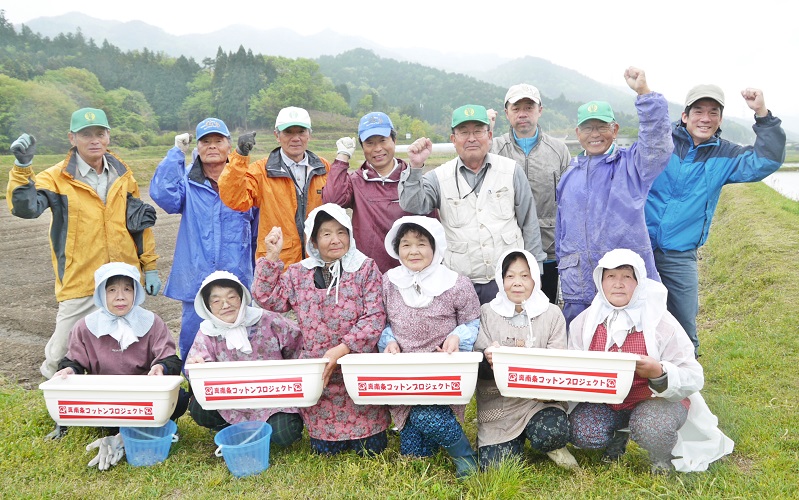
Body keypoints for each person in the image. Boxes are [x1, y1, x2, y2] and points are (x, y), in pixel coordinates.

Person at [7, 108, 161, 381]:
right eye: (85, 134)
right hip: (81, 278)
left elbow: (139, 226)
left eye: (99, 133)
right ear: (72, 138)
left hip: (122, 277)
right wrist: (22, 169)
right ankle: (58, 404)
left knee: (130, 343)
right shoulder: (55, 178)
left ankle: (128, 403)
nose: (94, 140)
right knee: (62, 350)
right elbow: (26, 208)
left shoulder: (124, 175)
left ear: (108, 137)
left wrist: (148, 267)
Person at [645, 85, 786, 355]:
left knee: (683, 320)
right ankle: (636, 376)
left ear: (720, 120)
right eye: (698, 111)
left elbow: (767, 160)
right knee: (635, 313)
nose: (705, 118)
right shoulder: (662, 144)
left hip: (680, 254)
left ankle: (687, 382)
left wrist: (762, 114)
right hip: (641, 247)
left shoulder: (726, 155)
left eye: (713, 112)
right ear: (685, 116)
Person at [568, 249, 733, 474]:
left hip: (655, 401)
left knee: (652, 427)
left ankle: (661, 456)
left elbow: (692, 374)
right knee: (583, 430)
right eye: (611, 277)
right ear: (600, 281)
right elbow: (572, 367)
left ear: (639, 283)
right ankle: (616, 437)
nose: (618, 284)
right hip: (607, 403)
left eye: (627, 277)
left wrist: (659, 372)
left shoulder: (661, 322)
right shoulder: (584, 323)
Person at [252, 203, 390, 455]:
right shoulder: (298, 273)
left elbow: (375, 317)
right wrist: (272, 256)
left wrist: (343, 349)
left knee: (371, 449)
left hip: (356, 367)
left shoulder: (365, 268)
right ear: (313, 240)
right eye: (326, 234)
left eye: (341, 232)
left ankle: (371, 432)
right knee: (326, 450)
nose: (335, 240)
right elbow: (267, 298)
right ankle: (323, 434)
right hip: (320, 373)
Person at [555, 67, 673, 327]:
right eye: (587, 128)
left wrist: (644, 94)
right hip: (579, 288)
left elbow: (657, 144)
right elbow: (561, 233)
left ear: (615, 129)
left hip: (625, 286)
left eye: (601, 126)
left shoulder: (632, 166)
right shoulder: (569, 175)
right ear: (577, 133)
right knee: (582, 351)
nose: (594, 134)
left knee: (632, 351)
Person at [399, 104, 545, 304]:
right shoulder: (438, 177)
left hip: (507, 281)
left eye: (478, 131)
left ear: (490, 135)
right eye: (463, 132)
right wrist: (415, 166)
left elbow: (529, 223)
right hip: (459, 283)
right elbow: (413, 205)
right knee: (465, 334)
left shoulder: (511, 171)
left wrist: (535, 272)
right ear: (453, 139)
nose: (471, 138)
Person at [52, 262, 188, 469]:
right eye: (112, 290)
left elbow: (170, 358)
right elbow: (75, 361)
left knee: (178, 401)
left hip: (143, 395)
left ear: (136, 292)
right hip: (106, 396)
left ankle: (132, 430)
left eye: (127, 289)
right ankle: (123, 429)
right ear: (100, 294)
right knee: (103, 417)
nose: (120, 297)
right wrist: (69, 369)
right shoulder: (86, 326)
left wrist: (160, 367)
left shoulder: (152, 322)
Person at [376, 216, 481, 479]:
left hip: (440, 368)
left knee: (426, 417)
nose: (413, 251)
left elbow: (471, 321)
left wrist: (458, 337)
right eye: (406, 244)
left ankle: (464, 454)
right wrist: (388, 341)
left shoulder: (457, 283)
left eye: (421, 244)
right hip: (404, 372)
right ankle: (436, 432)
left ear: (435, 247)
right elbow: (383, 321)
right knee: (414, 453)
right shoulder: (389, 281)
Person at [149, 118, 258, 365]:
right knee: (193, 334)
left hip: (237, 273)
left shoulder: (245, 180)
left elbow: (255, 231)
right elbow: (164, 196)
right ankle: (197, 388)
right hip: (195, 274)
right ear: (197, 147)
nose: (212, 146)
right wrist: (176, 154)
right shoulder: (188, 180)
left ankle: (238, 384)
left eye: (218, 141)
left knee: (241, 334)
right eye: (205, 141)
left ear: (229, 145)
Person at [474, 249, 578, 470]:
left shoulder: (551, 314)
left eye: (525, 275)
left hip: (539, 401)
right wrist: (488, 359)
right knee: (494, 467)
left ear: (535, 279)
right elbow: (478, 363)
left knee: (552, 432)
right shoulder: (486, 313)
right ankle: (510, 441)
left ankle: (552, 445)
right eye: (510, 276)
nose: (517, 283)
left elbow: (557, 365)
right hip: (500, 404)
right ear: (501, 281)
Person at [184, 271, 304, 447]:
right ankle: (234, 429)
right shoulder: (207, 331)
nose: (225, 305)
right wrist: (197, 365)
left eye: (231, 297)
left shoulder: (268, 320)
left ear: (241, 298)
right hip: (232, 402)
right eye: (216, 301)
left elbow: (299, 344)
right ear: (208, 306)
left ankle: (270, 427)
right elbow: (194, 366)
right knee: (199, 409)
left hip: (272, 400)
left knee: (284, 434)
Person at [323, 112, 436, 273]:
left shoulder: (412, 181)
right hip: (368, 275)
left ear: (394, 141)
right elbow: (332, 202)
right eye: (370, 143)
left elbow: (433, 229)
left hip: (411, 273)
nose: (377, 149)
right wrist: (342, 158)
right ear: (362, 147)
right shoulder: (356, 181)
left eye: (383, 140)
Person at [490, 84, 571, 304]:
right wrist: (485, 128)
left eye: (529, 107)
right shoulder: (493, 148)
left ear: (540, 110)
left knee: (544, 307)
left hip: (549, 246)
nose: (523, 113)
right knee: (508, 309)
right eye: (516, 108)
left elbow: (569, 200)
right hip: (506, 244)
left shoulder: (558, 150)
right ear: (506, 113)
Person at [218, 106, 330, 265]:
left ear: (309, 135)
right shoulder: (261, 171)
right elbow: (234, 199)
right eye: (288, 132)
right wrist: (240, 155)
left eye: (301, 132)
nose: (295, 138)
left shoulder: (323, 168)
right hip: (278, 264)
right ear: (277, 135)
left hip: (320, 261)